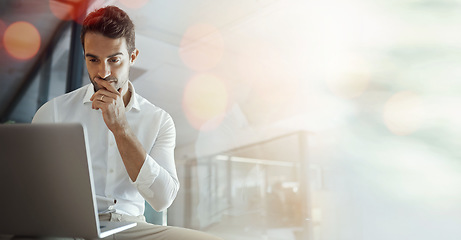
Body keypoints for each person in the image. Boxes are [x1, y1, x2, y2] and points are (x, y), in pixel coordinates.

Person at [32, 5, 222, 240]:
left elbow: (162, 200)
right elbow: (33, 192)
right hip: (69, 228)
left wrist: (120, 128)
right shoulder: (53, 112)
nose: (103, 72)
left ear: (132, 57)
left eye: (114, 60)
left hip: (131, 228)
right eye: (93, 60)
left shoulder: (159, 120)